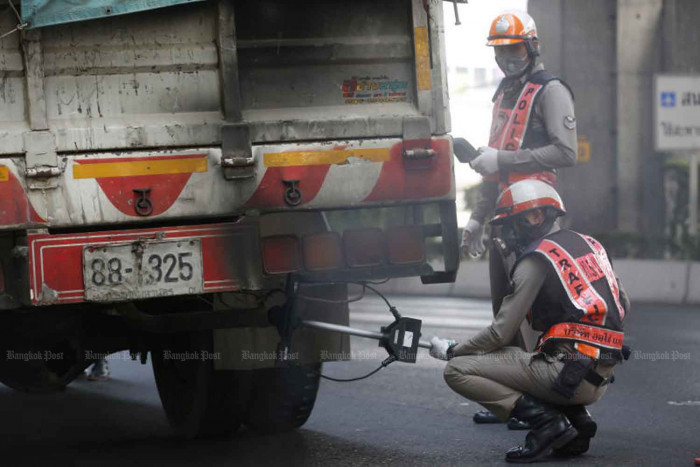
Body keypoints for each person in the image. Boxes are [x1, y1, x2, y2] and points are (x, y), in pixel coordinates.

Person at [430, 180, 630, 462]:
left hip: (567, 378)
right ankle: (577, 420)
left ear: (535, 217)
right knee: (520, 355)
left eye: (510, 224)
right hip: (602, 375)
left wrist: (453, 350)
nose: (507, 233)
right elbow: (624, 305)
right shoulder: (591, 245)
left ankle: (548, 424)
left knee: (458, 370)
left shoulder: (536, 258)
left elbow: (500, 333)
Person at [460, 9, 578, 427]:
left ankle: (545, 402)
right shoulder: (504, 95)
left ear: (531, 46)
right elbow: (493, 167)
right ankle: (512, 400)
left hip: (537, 218)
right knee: (503, 315)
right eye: (501, 52)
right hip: (503, 218)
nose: (507, 59)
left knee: (534, 313)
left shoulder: (551, 91)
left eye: (514, 50)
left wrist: (503, 158)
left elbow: (567, 152)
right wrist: (476, 219)